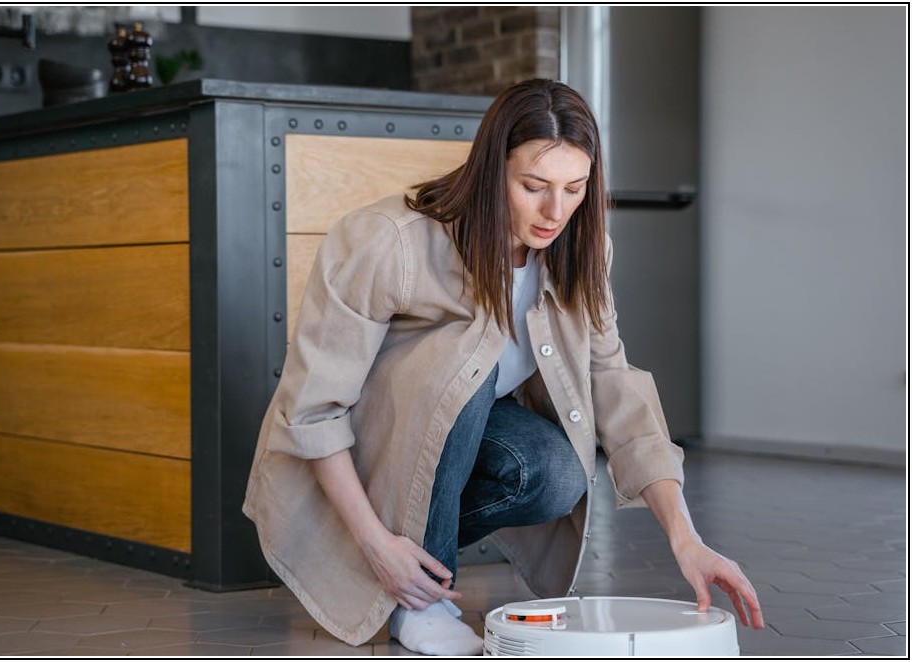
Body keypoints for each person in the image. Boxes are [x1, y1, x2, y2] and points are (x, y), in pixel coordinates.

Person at [243, 78, 763, 656]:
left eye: (575, 188)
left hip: (446, 450)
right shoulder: (390, 240)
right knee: (471, 360)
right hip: (356, 460)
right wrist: (372, 543)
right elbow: (313, 409)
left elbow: (615, 384)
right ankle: (419, 599)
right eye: (534, 186)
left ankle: (411, 568)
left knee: (558, 472)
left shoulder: (584, 253)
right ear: (494, 171)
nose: (555, 212)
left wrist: (687, 539)